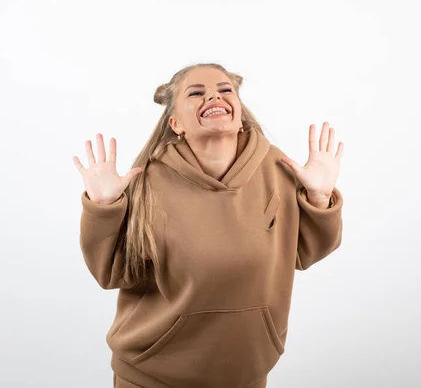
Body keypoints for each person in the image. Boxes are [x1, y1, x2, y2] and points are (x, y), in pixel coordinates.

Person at [73, 63, 344, 388]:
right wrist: (103, 208)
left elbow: (304, 253)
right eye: (196, 92)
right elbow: (111, 272)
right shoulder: (147, 182)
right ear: (175, 122)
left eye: (224, 89)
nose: (214, 96)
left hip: (244, 375)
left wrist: (319, 197)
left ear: (240, 112)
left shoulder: (277, 170)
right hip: (150, 376)